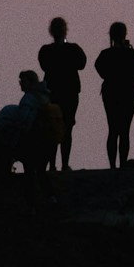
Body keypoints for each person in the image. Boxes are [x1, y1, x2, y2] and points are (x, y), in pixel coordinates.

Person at [94, 21, 134, 173]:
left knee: (113, 129)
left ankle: (112, 166)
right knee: (124, 130)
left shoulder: (106, 54)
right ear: (124, 35)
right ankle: (122, 164)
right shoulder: (131, 54)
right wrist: (131, 75)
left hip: (110, 92)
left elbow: (98, 67)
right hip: (128, 93)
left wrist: (111, 76)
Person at [38, 17, 88, 174]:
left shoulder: (46, 51)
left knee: (52, 129)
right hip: (70, 93)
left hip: (52, 93)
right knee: (67, 128)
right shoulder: (73, 49)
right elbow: (82, 64)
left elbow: (44, 65)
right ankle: (65, 164)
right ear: (65, 30)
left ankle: (52, 165)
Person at [0, 69, 61, 182]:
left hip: (30, 141)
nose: (20, 83)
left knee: (30, 173)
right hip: (44, 141)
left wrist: (11, 126)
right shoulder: (43, 96)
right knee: (40, 173)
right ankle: (51, 197)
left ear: (30, 82)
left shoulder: (28, 99)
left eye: (23, 81)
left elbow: (25, 122)